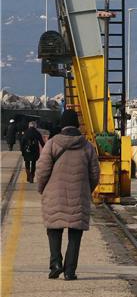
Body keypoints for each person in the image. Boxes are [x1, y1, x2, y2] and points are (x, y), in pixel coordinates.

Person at [36, 109, 99, 280]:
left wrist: (41, 188)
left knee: (54, 229)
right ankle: (70, 271)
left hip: (54, 193)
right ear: (77, 125)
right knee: (75, 233)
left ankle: (56, 263)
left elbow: (42, 170)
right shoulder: (87, 146)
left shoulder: (52, 144)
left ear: (62, 125)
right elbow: (95, 174)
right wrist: (87, 189)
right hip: (79, 195)